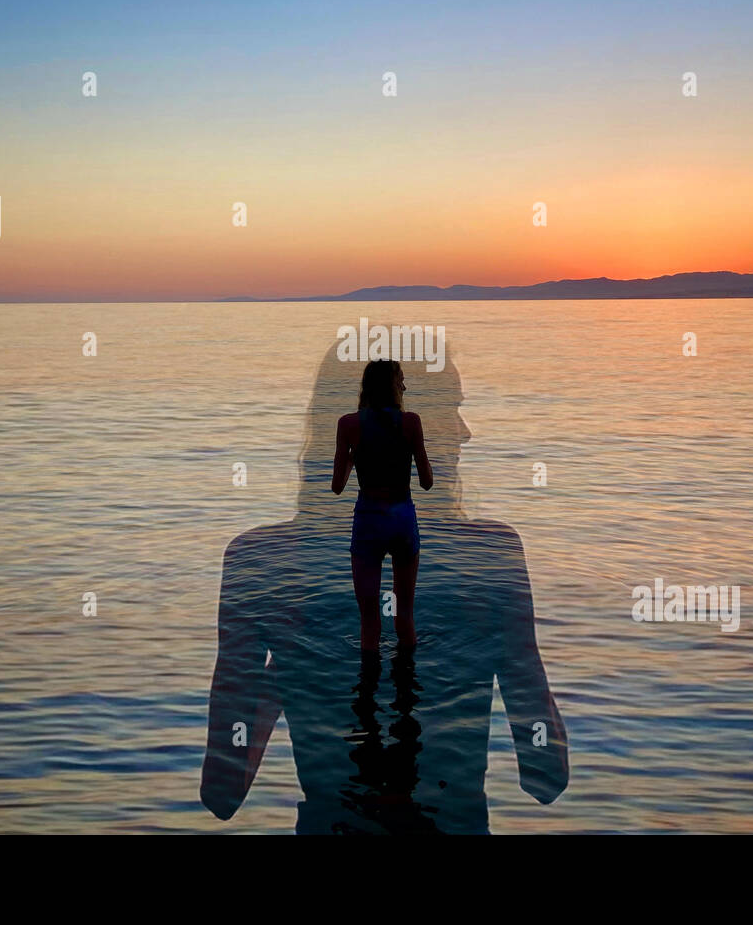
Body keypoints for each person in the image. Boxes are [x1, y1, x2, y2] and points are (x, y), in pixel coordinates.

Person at [200, 342, 569, 834]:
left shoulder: (259, 563)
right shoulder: (493, 556)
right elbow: (547, 775)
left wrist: (288, 674)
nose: (465, 432)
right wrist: (506, 649)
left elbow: (223, 791)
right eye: (454, 410)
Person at [331, 359, 433, 651]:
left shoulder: (348, 425)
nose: (405, 385)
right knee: (405, 618)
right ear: (392, 386)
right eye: (401, 379)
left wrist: (354, 457)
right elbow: (427, 482)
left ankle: (365, 692)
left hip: (369, 520)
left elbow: (337, 487)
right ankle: (408, 689)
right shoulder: (411, 422)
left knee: (369, 624)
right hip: (401, 518)